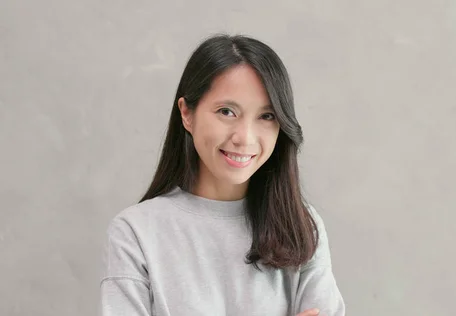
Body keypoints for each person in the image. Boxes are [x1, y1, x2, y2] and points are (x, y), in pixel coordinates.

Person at [100, 34, 345, 316]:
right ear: (187, 114)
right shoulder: (135, 233)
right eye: (227, 111)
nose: (245, 138)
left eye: (266, 116)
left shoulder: (302, 226)